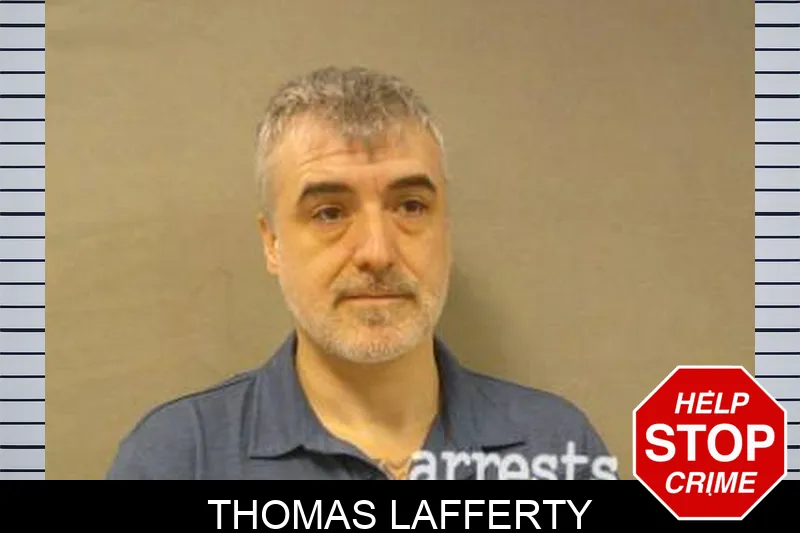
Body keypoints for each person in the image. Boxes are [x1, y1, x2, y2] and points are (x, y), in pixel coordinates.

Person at [106, 66, 617, 480]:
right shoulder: (178, 459)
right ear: (271, 243)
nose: (377, 252)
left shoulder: (559, 450)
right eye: (329, 212)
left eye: (411, 206)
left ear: (446, 231)